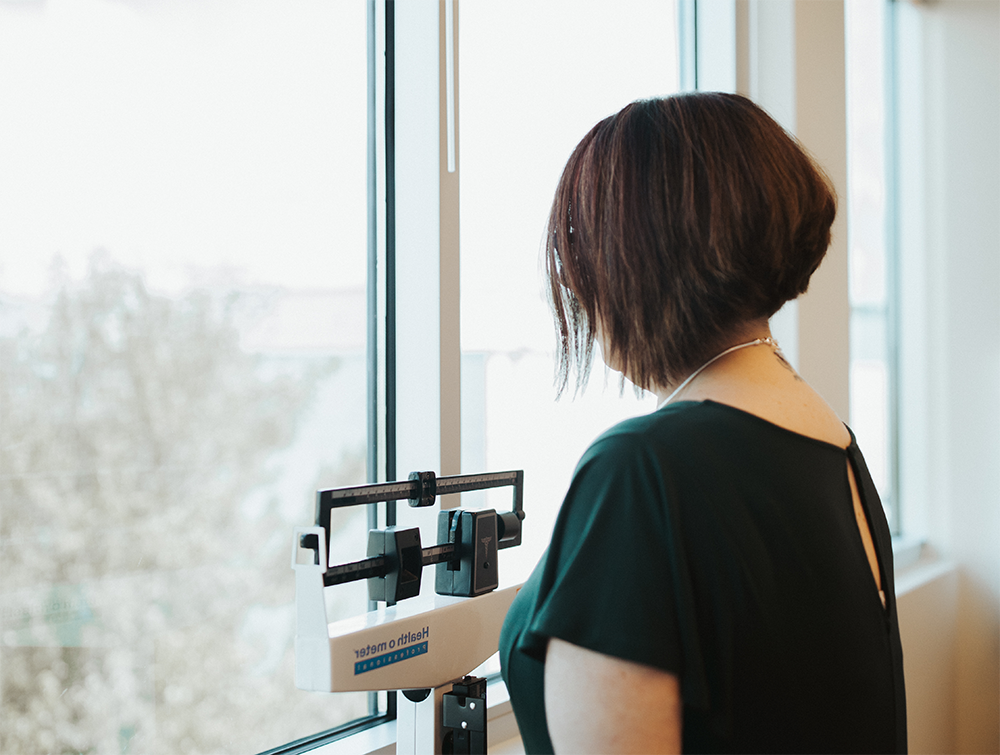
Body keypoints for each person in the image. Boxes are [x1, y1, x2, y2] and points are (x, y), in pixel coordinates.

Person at [498, 93, 906, 755]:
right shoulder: (830, 443)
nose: (577, 282)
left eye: (582, 245)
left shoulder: (640, 471)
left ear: (632, 257)